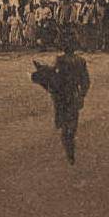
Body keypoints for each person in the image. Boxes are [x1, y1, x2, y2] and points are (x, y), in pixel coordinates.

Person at [31, 33, 91, 165]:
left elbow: (54, 76)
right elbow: (86, 82)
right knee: (71, 124)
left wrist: (41, 69)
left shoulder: (60, 60)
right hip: (74, 95)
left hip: (62, 96)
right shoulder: (81, 61)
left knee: (64, 125)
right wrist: (81, 95)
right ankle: (70, 149)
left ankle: (69, 149)